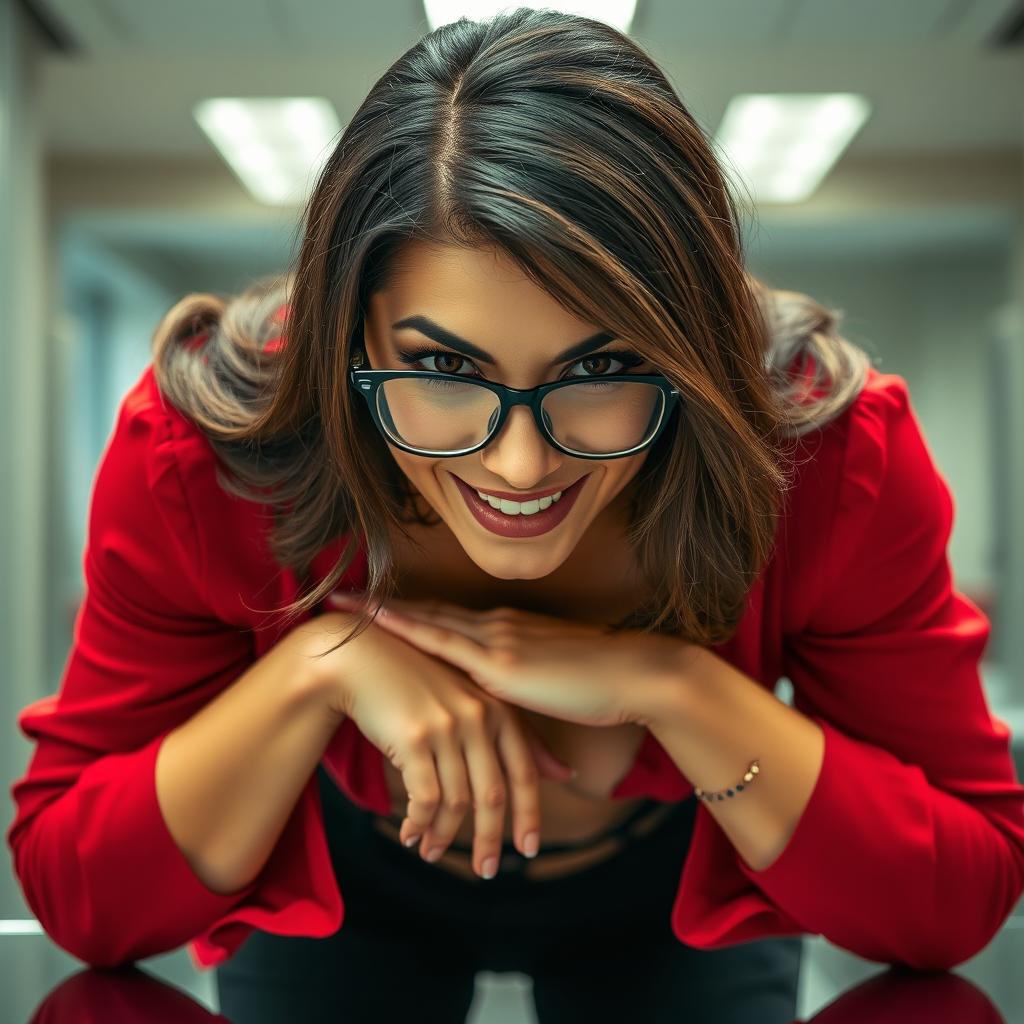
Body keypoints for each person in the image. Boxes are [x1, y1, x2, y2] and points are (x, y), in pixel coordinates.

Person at [8, 8, 1024, 1023]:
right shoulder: (206, 453)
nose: (519, 461)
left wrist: (672, 686)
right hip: (346, 868)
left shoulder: (823, 455)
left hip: (669, 874)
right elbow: (81, 903)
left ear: (690, 345)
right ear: (345, 331)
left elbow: (955, 901)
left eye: (603, 367)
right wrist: (312, 673)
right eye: (445, 366)